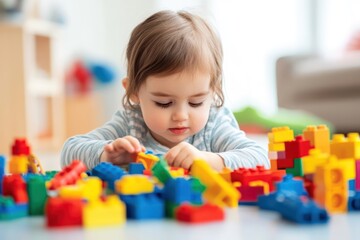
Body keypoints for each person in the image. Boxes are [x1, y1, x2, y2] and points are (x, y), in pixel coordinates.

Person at [61, 10, 269, 171]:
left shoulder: (213, 126)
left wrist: (209, 160)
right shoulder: (131, 123)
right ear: (134, 92)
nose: (181, 115)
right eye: (164, 103)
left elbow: (259, 157)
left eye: (196, 102)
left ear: (212, 92)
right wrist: (107, 155)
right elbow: (69, 151)